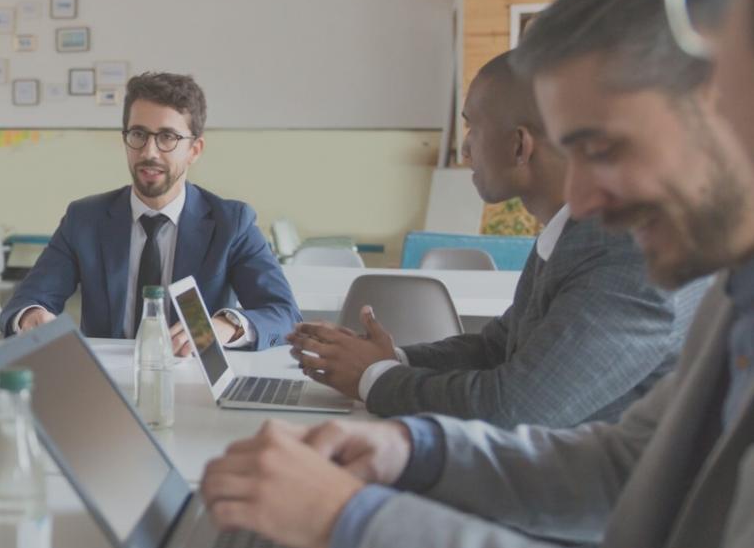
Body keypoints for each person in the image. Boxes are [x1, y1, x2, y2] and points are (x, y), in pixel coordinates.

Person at [41, 0, 754, 548]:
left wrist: (356, 525)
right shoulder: (730, 285)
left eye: (603, 147)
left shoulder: (664, 260)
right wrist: (406, 447)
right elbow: (625, 466)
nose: (582, 199)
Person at [288, 50, 704, 427]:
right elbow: (498, 348)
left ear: (520, 146)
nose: (466, 149)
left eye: (472, 127)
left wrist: (374, 378)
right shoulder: (577, 233)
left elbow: (514, 408)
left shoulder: (627, 250)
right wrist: (390, 358)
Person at [0, 72, 298, 351]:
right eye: (138, 134)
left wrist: (225, 326)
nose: (149, 152)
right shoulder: (85, 220)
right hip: (107, 384)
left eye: (167, 137)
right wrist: (31, 316)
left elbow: (283, 314)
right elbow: (27, 300)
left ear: (195, 150)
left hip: (191, 382)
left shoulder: (231, 223)